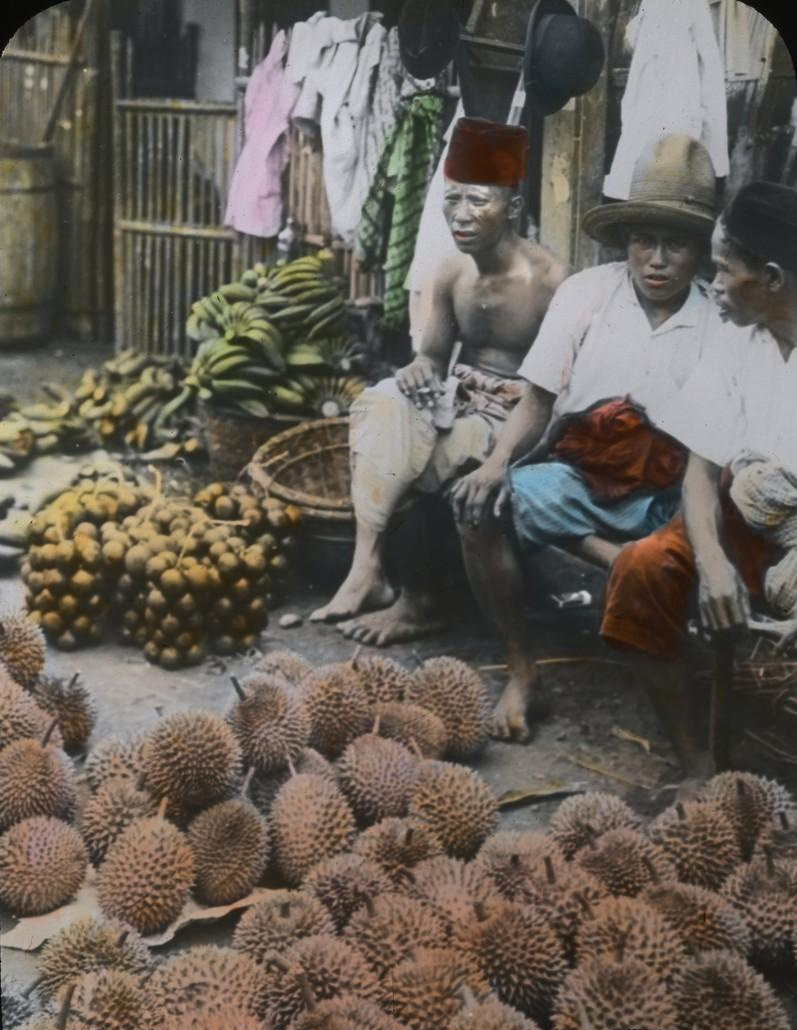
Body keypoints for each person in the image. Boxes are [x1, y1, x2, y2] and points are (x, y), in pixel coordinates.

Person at [451, 133, 722, 741]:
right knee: (477, 503)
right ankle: (523, 673)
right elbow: (539, 400)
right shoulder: (586, 296)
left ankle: (635, 577)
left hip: (672, 495)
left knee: (694, 534)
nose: (655, 259)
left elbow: (711, 458)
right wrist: (497, 462)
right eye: (642, 240)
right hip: (582, 478)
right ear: (624, 241)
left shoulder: (717, 322)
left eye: (675, 244)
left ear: (700, 251)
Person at [310, 117, 565, 641]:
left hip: (523, 420)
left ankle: (420, 601)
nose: (461, 215)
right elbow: (430, 356)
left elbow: (554, 397)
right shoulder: (451, 272)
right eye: (452, 200)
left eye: (477, 201)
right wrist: (419, 369)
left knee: (432, 451)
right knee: (382, 404)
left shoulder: (552, 282)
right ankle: (368, 569)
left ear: (513, 208)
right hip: (462, 400)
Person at [600, 180, 797, 779]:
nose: (711, 285)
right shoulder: (737, 339)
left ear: (771, 278)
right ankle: (696, 764)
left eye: (722, 269)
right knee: (640, 568)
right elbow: (702, 469)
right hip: (744, 522)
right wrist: (711, 562)